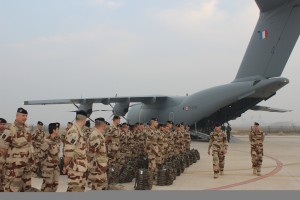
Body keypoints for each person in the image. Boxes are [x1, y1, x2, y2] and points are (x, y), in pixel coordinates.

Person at [0, 108, 33, 192]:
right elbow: (3, 149)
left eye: (26, 116)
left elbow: (29, 145)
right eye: (23, 116)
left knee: (26, 188)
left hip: (26, 165)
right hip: (14, 167)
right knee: (12, 189)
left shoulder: (27, 128)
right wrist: (9, 161)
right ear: (17, 116)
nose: (25, 117)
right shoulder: (10, 129)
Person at [63, 110, 88, 192]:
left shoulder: (78, 131)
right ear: (84, 120)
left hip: (80, 169)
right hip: (75, 170)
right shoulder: (73, 131)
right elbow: (68, 153)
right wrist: (65, 165)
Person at [87, 118, 108, 190]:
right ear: (103, 125)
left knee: (102, 186)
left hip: (100, 166)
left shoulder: (99, 134)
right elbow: (91, 152)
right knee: (97, 187)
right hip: (96, 167)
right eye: (105, 125)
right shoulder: (95, 135)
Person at [38, 123, 61, 192]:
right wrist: (42, 167)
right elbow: (41, 156)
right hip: (48, 169)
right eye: (57, 129)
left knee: (55, 186)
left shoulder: (56, 140)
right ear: (54, 130)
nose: (59, 130)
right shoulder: (46, 141)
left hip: (55, 168)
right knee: (47, 188)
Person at [0, 118, 7, 192]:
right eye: (0, 124)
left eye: (3, 124)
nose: (2, 125)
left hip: (5, 162)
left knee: (5, 181)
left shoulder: (7, 135)